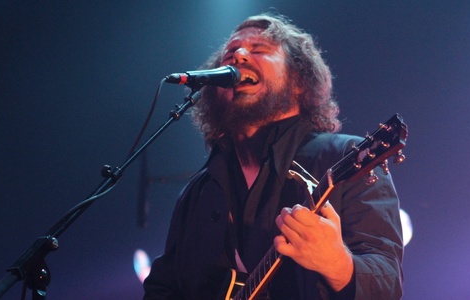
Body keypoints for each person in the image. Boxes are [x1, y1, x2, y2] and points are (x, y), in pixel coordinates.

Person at [143, 13, 403, 300]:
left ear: (299, 81)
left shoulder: (347, 157)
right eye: (230, 53)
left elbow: (388, 284)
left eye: (259, 50)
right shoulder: (197, 193)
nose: (239, 55)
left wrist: (338, 264)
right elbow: (163, 289)